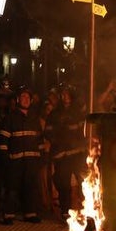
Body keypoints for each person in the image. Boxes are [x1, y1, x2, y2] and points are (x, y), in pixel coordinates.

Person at [0, 86, 45, 224]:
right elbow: (3, 140)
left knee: (31, 187)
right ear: (17, 100)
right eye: (23, 97)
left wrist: (41, 157)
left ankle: (30, 214)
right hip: (15, 161)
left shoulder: (34, 119)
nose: (25, 99)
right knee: (12, 188)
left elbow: (40, 140)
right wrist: (5, 158)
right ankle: (8, 215)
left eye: (28, 97)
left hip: (31, 161)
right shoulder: (10, 118)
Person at [47, 84, 87, 220]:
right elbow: (48, 131)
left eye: (67, 94)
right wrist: (57, 142)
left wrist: (78, 143)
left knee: (84, 181)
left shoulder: (78, 113)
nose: (65, 97)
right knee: (62, 183)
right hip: (61, 154)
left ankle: (86, 209)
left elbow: (83, 131)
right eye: (63, 94)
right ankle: (65, 211)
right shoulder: (55, 113)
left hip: (77, 153)